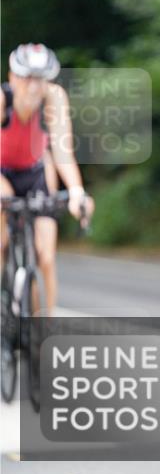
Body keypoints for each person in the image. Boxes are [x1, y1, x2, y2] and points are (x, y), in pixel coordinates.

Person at [1, 44, 94, 312]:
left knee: (46, 256)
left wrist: (76, 191)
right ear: (12, 77)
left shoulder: (54, 97)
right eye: (27, 78)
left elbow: (63, 150)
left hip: (35, 172)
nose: (34, 87)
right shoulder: (3, 99)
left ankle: (46, 325)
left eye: (41, 79)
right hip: (2, 172)